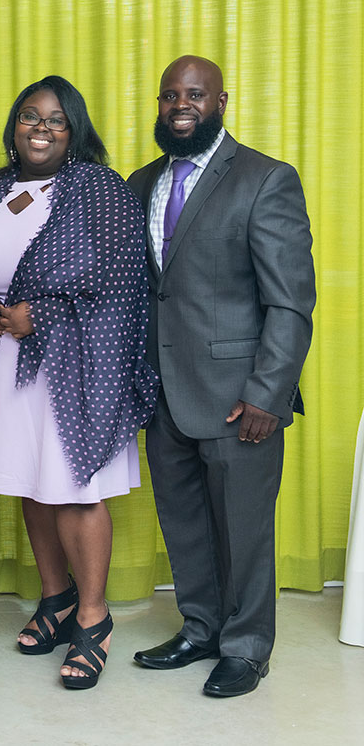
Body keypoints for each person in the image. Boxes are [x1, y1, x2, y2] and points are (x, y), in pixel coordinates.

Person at [0, 76, 156, 689]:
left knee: (74, 489)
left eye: (55, 120)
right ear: (14, 127)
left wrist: (39, 314)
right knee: (29, 482)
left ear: (75, 131)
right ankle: (56, 597)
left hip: (75, 365)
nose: (39, 129)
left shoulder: (100, 189)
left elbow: (127, 286)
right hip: (4, 362)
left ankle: (93, 619)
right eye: (29, 117)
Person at [128, 56, 315, 697]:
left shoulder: (265, 179)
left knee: (243, 526)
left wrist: (269, 393)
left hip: (241, 398)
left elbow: (290, 301)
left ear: (221, 102)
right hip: (164, 393)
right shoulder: (143, 180)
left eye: (196, 95)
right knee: (183, 521)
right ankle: (200, 628)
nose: (181, 105)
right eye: (170, 96)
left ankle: (246, 646)